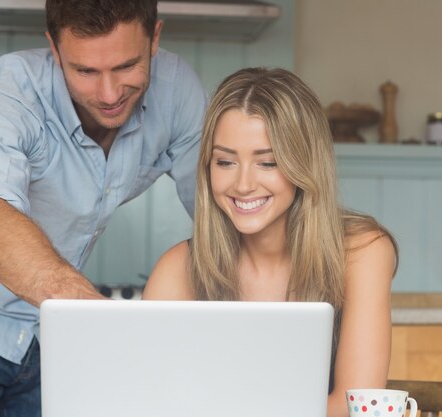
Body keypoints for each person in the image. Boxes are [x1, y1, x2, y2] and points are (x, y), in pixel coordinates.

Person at [0, 0, 207, 415]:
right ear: (54, 50)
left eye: (127, 66)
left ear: (155, 39)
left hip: (47, 331)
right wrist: (108, 326)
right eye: (85, 71)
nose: (110, 94)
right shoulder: (7, 92)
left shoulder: (177, 90)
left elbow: (218, 207)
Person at [142, 67, 398, 417]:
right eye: (225, 161)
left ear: (304, 163)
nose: (243, 184)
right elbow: (150, 401)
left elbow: (356, 406)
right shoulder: (177, 269)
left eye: (267, 162)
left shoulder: (363, 251)